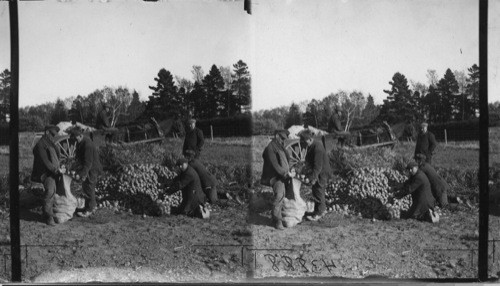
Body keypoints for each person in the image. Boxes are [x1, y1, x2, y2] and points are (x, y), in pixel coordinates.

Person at [31, 125, 66, 225]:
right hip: (44, 173)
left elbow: (57, 158)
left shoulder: (51, 143)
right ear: (47, 132)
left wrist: (61, 166)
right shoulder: (40, 145)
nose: (53, 136)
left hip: (52, 171)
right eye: (52, 134)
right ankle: (48, 216)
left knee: (53, 191)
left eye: (54, 135)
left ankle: (46, 213)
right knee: (50, 191)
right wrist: (56, 170)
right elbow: (45, 161)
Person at [261, 129, 295, 230]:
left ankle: (275, 217)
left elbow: (287, 160)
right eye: (282, 138)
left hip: (283, 176)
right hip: (275, 176)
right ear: (277, 136)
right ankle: (277, 220)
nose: (283, 140)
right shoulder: (270, 148)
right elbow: (274, 164)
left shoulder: (280, 146)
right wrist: (285, 173)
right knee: (279, 195)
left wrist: (291, 169)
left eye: (285, 138)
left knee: (283, 195)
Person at [69, 127, 103, 218]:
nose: (74, 140)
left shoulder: (87, 145)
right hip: (88, 167)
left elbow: (88, 163)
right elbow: (79, 158)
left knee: (89, 187)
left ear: (80, 135)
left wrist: (82, 174)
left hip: (92, 168)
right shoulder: (80, 143)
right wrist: (75, 168)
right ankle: (89, 206)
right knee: (86, 186)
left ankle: (89, 209)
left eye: (75, 137)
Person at [299, 129, 332, 221]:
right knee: (315, 190)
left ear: (309, 139)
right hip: (318, 170)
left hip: (322, 172)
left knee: (319, 189)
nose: (303, 143)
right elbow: (309, 162)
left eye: (304, 140)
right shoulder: (310, 146)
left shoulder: (317, 148)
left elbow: (317, 166)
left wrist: (311, 178)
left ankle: (320, 212)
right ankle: (318, 210)